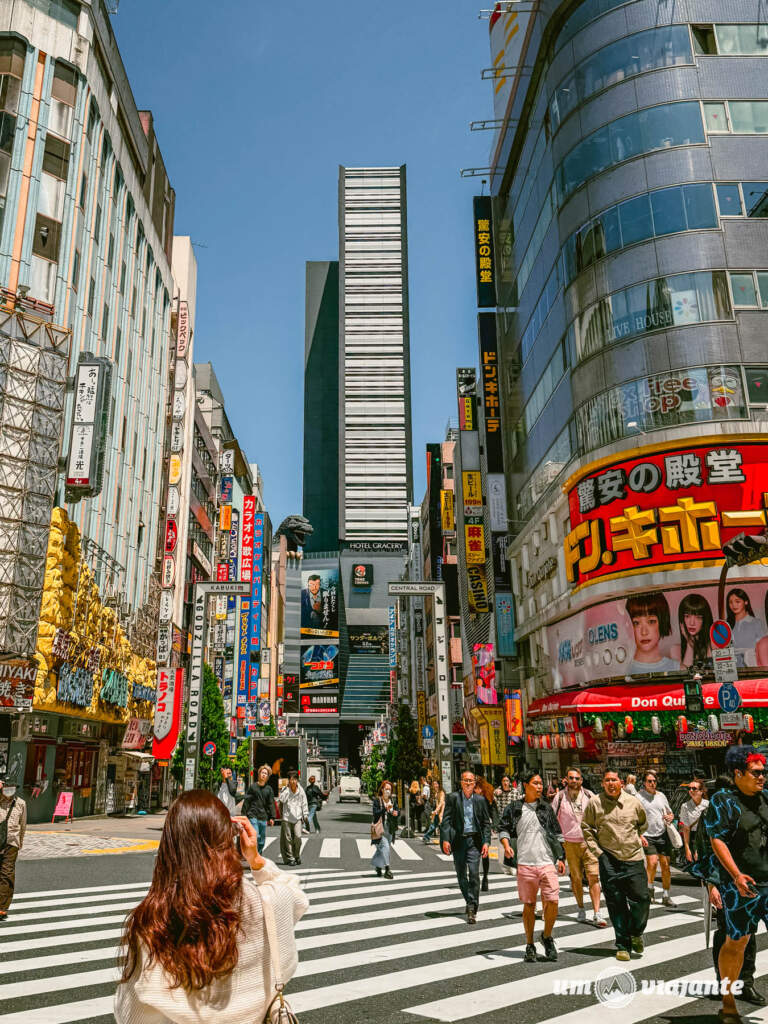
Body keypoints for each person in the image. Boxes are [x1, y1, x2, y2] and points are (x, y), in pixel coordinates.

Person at [115, 791, 308, 1023]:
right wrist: (256, 860)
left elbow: (132, 1015)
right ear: (228, 839)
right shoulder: (262, 904)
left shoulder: (155, 920)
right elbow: (295, 894)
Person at [687, 772, 764, 1009]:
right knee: (727, 935)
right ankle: (725, 985)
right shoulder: (711, 817)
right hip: (725, 884)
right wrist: (712, 886)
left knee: (747, 939)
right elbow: (706, 854)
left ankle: (746, 981)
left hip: (752, 883)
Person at [705, 746, 768, 1021]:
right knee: (737, 942)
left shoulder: (766, 798)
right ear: (738, 773)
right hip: (742, 885)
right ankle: (728, 1001)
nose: (762, 777)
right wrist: (734, 875)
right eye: (756, 772)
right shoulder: (723, 800)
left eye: (764, 772)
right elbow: (716, 838)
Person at [582, 768, 650, 962]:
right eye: (607, 780)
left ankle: (636, 932)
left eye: (614, 780)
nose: (611, 783)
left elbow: (643, 824)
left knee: (642, 899)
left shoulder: (633, 802)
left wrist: (635, 837)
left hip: (633, 858)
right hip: (609, 859)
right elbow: (586, 827)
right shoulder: (595, 803)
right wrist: (599, 853)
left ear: (621, 782)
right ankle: (623, 944)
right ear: (603, 783)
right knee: (616, 902)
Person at [499, 769, 566, 962]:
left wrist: (561, 858)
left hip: (546, 862)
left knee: (552, 901)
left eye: (540, 784)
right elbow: (503, 828)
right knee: (529, 905)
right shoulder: (514, 808)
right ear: (525, 785)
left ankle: (547, 936)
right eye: (535, 783)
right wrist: (506, 846)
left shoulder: (546, 808)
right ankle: (529, 944)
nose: (540, 787)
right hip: (525, 864)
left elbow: (557, 834)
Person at [552, 766, 606, 927]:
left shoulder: (590, 795)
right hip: (569, 844)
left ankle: (597, 912)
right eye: (571, 778)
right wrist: (557, 845)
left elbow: (601, 816)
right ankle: (581, 908)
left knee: (593, 876)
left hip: (589, 842)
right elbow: (552, 820)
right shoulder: (559, 797)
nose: (574, 781)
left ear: (581, 780)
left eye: (577, 778)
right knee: (575, 878)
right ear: (566, 780)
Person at [441, 770, 492, 924]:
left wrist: (486, 842)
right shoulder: (453, 798)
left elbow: (485, 823)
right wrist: (445, 839)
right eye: (465, 780)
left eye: (471, 781)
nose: (468, 783)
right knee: (461, 875)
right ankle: (469, 901)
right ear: (461, 782)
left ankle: (471, 906)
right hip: (458, 841)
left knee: (475, 874)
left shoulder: (480, 800)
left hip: (474, 841)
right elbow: (446, 820)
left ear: (474, 783)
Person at [637, 770, 676, 907]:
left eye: (654, 781)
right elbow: (634, 816)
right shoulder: (639, 797)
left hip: (662, 834)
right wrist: (639, 835)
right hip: (648, 835)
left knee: (666, 866)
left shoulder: (661, 796)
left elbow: (670, 812)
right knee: (652, 863)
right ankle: (650, 888)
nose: (652, 783)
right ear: (644, 783)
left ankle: (666, 895)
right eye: (649, 781)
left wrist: (670, 817)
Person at [625, 592, 679, 674]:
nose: (644, 632)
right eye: (636, 623)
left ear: (662, 622)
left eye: (651, 621)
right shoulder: (622, 671)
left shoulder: (677, 668)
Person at [0, 776, 26, 920]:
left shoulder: (21, 803)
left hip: (11, 842)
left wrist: (20, 842)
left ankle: (2, 907)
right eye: (6, 787)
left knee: (7, 873)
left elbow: (23, 825)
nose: (9, 790)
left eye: (12, 787)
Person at [671, 592, 714, 669]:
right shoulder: (676, 650)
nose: (692, 623)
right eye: (687, 616)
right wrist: (689, 645)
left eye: (698, 617)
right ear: (682, 619)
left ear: (705, 620)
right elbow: (685, 676)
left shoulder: (713, 646)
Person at [242, 764, 276, 854]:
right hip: (252, 815)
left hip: (263, 817)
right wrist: (243, 815)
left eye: (266, 773)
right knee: (255, 836)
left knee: (261, 840)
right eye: (262, 772)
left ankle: (258, 854)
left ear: (267, 777)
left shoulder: (269, 789)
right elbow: (247, 801)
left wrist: (272, 817)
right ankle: (253, 856)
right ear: (259, 774)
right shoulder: (253, 787)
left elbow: (271, 803)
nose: (264, 775)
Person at [278, 772, 308, 866]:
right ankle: (290, 858)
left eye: (295, 779)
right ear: (289, 781)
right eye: (291, 779)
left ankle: (297, 855)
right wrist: (287, 789)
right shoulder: (286, 790)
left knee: (298, 837)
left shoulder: (301, 790)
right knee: (288, 839)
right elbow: (281, 800)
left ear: (297, 780)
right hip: (287, 817)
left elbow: (304, 802)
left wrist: (305, 814)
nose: (293, 781)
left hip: (298, 817)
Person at [474, 776, 498, 893]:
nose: (475, 790)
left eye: (477, 788)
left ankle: (485, 877)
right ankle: (478, 877)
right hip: (475, 826)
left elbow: (493, 809)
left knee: (485, 851)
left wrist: (494, 824)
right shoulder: (472, 796)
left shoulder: (487, 796)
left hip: (485, 826)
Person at [372, 780, 399, 879]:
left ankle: (378, 866)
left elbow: (397, 810)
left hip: (390, 827)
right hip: (380, 828)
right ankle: (387, 869)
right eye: (386, 789)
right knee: (386, 847)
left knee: (382, 849)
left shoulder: (393, 801)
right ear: (382, 789)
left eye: (390, 789)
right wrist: (385, 809)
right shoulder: (377, 800)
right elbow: (375, 813)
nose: (388, 791)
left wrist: (396, 813)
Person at [726, 588, 765, 658]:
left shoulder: (756, 623)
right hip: (732, 665)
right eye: (731, 602)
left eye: (737, 601)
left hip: (751, 665)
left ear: (746, 602)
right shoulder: (725, 625)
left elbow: (762, 649)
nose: (734, 605)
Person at [680, 779, 709, 863]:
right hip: (694, 838)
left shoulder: (708, 805)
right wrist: (687, 848)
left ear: (701, 791)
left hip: (706, 838)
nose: (691, 790)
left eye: (694, 788)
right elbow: (686, 828)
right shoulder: (685, 806)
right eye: (689, 788)